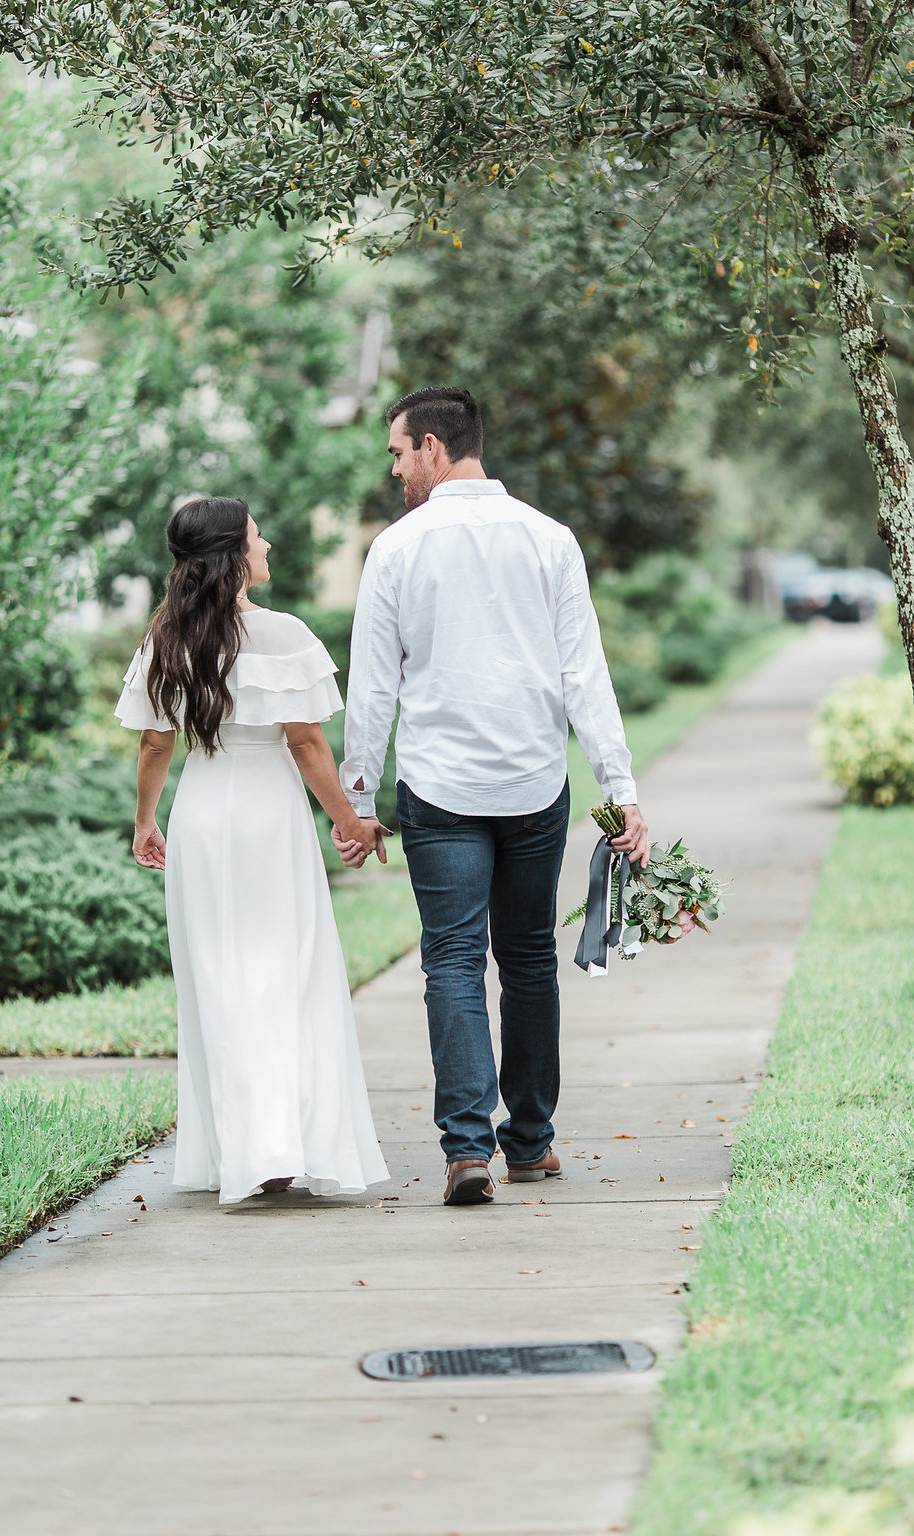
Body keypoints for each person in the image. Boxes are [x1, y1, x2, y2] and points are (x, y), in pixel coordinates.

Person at [335, 387, 650, 1207]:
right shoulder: (551, 540)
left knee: (451, 959)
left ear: (434, 447)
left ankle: (467, 1150)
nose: (396, 469)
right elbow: (587, 676)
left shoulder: (396, 549)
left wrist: (359, 799)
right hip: (531, 782)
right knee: (528, 959)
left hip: (439, 788)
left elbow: (372, 688)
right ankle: (531, 1142)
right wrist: (621, 792)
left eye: (399, 453)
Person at [115, 496, 389, 1205]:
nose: (268, 546)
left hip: (203, 815)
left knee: (218, 978)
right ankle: (285, 1143)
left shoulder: (165, 638)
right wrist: (352, 821)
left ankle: (248, 1148)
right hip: (269, 818)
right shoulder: (284, 634)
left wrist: (146, 821)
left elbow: (154, 741)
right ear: (235, 554)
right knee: (284, 972)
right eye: (259, 537)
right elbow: (305, 744)